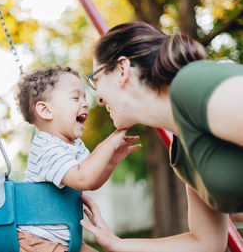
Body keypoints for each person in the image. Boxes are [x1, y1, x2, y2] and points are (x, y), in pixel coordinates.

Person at [80, 21, 243, 252]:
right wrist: (116, 244)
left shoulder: (191, 85)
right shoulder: (182, 151)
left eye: (95, 80)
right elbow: (205, 243)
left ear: (122, 70)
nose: (98, 99)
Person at [15, 65, 141, 252]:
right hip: (36, 242)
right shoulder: (45, 146)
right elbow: (83, 178)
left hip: (67, 240)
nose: (85, 103)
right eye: (75, 98)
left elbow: (92, 181)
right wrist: (111, 140)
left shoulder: (75, 146)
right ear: (46, 110)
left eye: (84, 97)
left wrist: (112, 160)